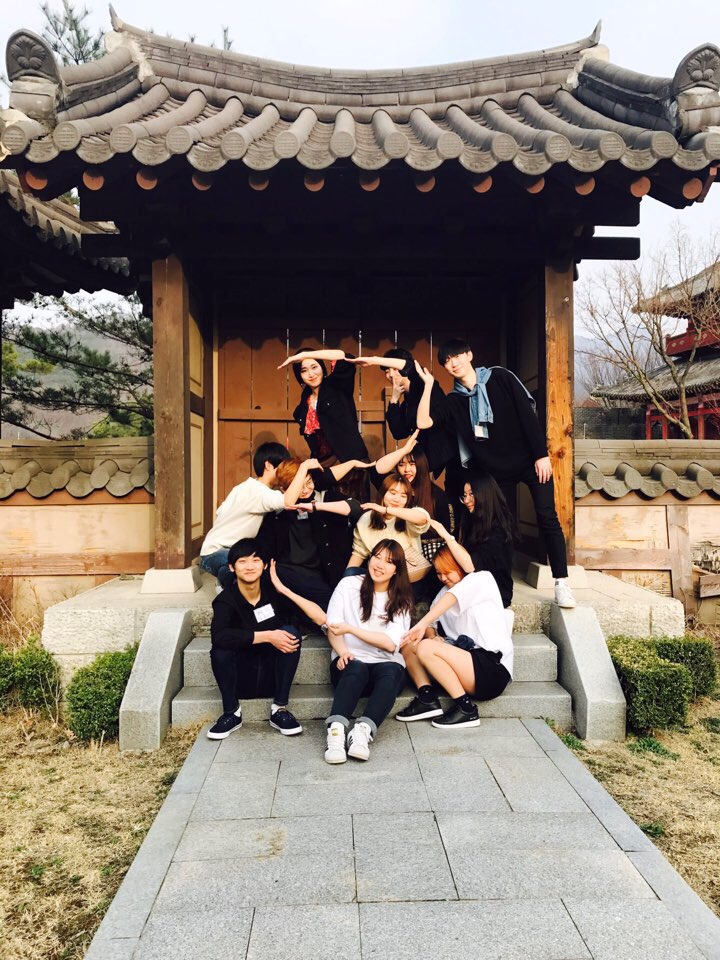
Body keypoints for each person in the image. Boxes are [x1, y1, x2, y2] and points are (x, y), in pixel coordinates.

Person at [421, 338, 576, 609]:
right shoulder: (455, 401)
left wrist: (541, 455)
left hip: (529, 462)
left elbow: (527, 415)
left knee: (547, 516)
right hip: (494, 473)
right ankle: (501, 585)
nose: (453, 363)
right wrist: (427, 385)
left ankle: (561, 582)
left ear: (469, 354)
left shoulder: (500, 377)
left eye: (457, 356)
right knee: (500, 528)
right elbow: (423, 422)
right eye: (446, 361)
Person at [207, 538, 327, 740]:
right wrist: (267, 636)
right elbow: (218, 636)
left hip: (273, 675)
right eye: (242, 561)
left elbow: (320, 619)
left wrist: (284, 589)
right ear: (231, 567)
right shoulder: (225, 600)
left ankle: (279, 709)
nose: (249, 566)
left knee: (291, 633)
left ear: (264, 566)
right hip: (241, 677)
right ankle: (231, 713)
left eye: (255, 560)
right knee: (220, 650)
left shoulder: (273, 593)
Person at [397, 546, 513, 728]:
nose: (443, 578)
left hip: (491, 667)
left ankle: (466, 709)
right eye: (438, 573)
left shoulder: (481, 579)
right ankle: (427, 698)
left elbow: (452, 598)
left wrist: (421, 627)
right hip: (464, 661)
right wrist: (432, 636)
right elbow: (431, 623)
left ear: (459, 566)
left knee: (425, 647)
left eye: (447, 571)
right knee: (408, 645)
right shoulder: (443, 593)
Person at [324, 538, 413, 763]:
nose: (380, 565)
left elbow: (390, 644)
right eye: (377, 557)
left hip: (383, 669)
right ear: (370, 558)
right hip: (349, 665)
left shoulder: (401, 599)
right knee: (356, 667)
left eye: (389, 562)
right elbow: (333, 627)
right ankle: (336, 731)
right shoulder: (348, 585)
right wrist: (342, 652)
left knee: (393, 670)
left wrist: (351, 629)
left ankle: (362, 732)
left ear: (396, 570)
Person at [260, 456, 370, 609]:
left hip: (323, 574)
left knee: (333, 603)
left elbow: (357, 508)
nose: (305, 490)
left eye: (309, 482)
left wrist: (317, 506)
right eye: (299, 486)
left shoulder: (325, 497)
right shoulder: (278, 510)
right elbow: (265, 545)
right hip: (293, 572)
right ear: (284, 490)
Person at [199, 441, 305, 590]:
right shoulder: (259, 493)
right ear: (269, 465)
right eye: (282, 467)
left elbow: (220, 512)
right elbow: (288, 501)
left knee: (251, 563)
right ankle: (225, 584)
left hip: (213, 551)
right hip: (216, 553)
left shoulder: (244, 487)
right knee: (249, 568)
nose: (284, 472)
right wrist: (304, 468)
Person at [353, 348, 457, 479]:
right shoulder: (407, 400)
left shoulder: (423, 384)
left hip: (449, 455)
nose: (391, 375)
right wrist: (394, 399)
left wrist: (374, 360)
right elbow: (399, 432)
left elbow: (410, 366)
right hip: (428, 458)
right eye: (387, 371)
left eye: (395, 369)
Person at [278, 347, 369, 467]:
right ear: (299, 375)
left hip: (350, 461)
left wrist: (302, 355)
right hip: (322, 465)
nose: (311, 374)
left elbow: (343, 356)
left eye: (314, 367)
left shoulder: (337, 386)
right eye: (304, 370)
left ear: (322, 367)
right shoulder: (302, 409)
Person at [348, 474, 433, 595]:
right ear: (383, 493)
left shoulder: (408, 517)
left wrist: (386, 510)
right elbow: (359, 553)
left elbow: (423, 518)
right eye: (393, 493)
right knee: (350, 574)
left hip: (407, 577)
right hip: (379, 575)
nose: (397, 499)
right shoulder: (366, 519)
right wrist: (346, 579)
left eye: (403, 496)